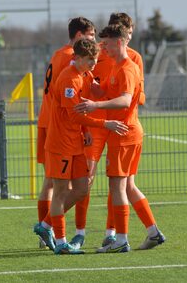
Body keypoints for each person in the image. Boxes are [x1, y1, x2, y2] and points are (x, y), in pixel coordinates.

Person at [75, 24, 165, 253]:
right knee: (129, 186)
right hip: (127, 132)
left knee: (117, 186)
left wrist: (96, 106)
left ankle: (121, 240)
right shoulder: (117, 66)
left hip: (123, 133)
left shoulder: (127, 68)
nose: (102, 48)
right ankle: (153, 232)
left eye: (106, 44)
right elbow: (101, 91)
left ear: (120, 41)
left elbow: (125, 100)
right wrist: (83, 73)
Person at [35, 38, 128, 255]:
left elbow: (86, 104)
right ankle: (61, 243)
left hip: (75, 142)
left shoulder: (84, 74)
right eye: (89, 61)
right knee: (59, 192)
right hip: (60, 144)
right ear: (76, 58)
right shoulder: (68, 80)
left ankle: (46, 225)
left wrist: (86, 132)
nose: (93, 65)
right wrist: (106, 123)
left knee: (82, 189)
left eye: (95, 60)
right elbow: (75, 115)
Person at [34, 17, 97, 249]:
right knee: (55, 185)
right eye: (91, 35)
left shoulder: (61, 55)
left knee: (54, 184)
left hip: (54, 123)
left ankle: (46, 230)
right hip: (58, 126)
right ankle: (50, 233)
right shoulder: (69, 59)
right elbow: (68, 97)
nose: (94, 40)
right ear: (80, 35)